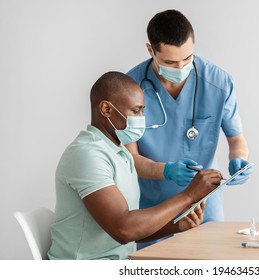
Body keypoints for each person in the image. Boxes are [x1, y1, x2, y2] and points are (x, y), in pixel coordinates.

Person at [48, 71, 222, 259]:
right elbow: (123, 229)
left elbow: (132, 230)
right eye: (136, 110)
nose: (141, 118)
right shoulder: (88, 155)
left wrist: (176, 225)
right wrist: (189, 195)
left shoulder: (120, 153)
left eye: (143, 111)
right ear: (106, 109)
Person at [126, 9, 253, 249]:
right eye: (170, 62)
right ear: (150, 50)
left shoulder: (218, 83)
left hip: (205, 207)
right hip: (154, 211)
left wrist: (240, 159)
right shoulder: (131, 88)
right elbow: (130, 158)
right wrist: (166, 171)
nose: (181, 66)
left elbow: (237, 140)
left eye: (188, 58)